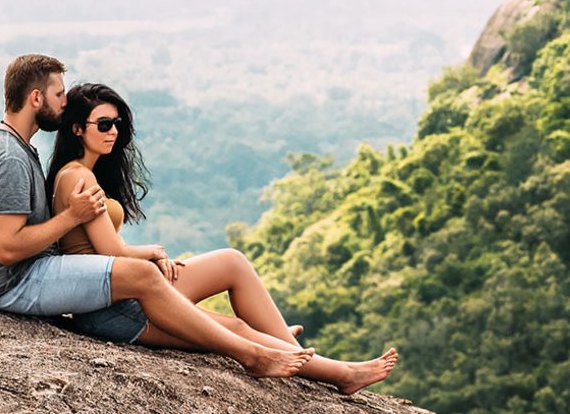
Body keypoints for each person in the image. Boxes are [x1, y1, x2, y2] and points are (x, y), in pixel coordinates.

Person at [0, 54, 314, 380]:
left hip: (34, 272)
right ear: (35, 98)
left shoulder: (20, 149)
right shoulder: (8, 158)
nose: (64, 102)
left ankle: (279, 345)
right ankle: (253, 353)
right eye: (59, 94)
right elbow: (7, 249)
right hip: (15, 284)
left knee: (225, 265)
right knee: (147, 276)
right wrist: (73, 216)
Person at [46, 80, 399, 394]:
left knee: (231, 262)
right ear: (77, 129)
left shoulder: (84, 173)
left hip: (127, 289)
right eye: (103, 124)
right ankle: (342, 374)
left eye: (117, 124)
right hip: (110, 309)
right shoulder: (79, 178)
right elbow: (110, 251)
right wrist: (151, 252)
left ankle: (281, 342)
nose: (113, 132)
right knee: (237, 330)